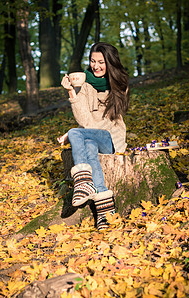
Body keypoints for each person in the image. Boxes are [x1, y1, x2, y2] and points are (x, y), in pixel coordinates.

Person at [58, 42, 130, 230]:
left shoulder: (120, 84)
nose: (95, 66)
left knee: (75, 132)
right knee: (88, 145)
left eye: (101, 62)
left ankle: (82, 183)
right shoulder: (85, 83)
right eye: (92, 61)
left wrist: (75, 133)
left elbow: (107, 124)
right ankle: (105, 210)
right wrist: (72, 92)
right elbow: (84, 119)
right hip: (92, 137)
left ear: (110, 63)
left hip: (112, 140)